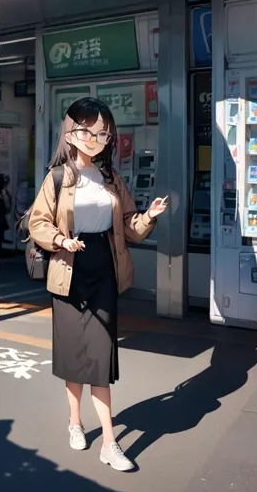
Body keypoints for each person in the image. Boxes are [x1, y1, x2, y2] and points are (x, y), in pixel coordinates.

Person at [29, 97, 167, 472]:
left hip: (104, 269)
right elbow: (38, 223)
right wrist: (60, 241)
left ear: (108, 138)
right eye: (86, 131)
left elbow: (128, 226)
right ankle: (75, 423)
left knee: (102, 360)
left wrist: (149, 216)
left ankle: (109, 442)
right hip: (69, 270)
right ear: (71, 133)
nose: (94, 138)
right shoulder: (57, 177)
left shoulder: (111, 178)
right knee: (75, 357)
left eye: (102, 132)